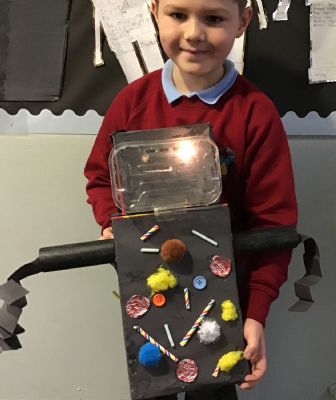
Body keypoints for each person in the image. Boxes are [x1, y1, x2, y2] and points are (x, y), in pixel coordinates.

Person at [84, 0, 297, 398]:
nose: (194, 33)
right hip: (149, 293)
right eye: (178, 15)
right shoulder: (132, 103)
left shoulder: (255, 114)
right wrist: (111, 221)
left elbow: (273, 225)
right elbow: (100, 177)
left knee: (213, 391)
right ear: (154, 11)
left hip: (222, 300)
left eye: (213, 18)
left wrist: (255, 313)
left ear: (243, 21)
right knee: (154, 382)